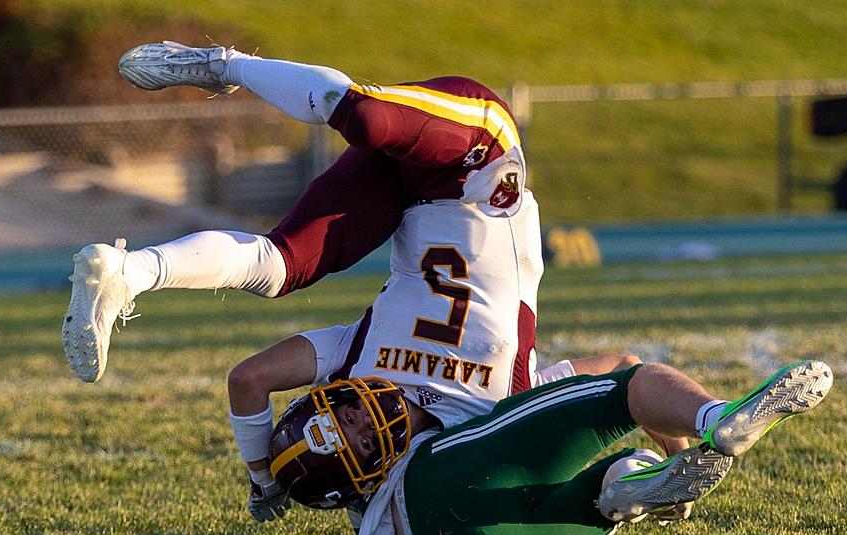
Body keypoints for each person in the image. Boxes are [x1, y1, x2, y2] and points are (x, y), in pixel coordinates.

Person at [62, 41, 539, 389]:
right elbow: (579, 375)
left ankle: (129, 271)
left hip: (418, 206)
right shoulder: (513, 393)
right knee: (367, 116)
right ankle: (224, 65)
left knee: (280, 267)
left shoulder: (443, 404)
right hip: (481, 154)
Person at [263, 360, 834, 535]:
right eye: (362, 441)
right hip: (435, 479)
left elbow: (247, 380)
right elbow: (626, 368)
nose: (373, 422)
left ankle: (633, 484)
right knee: (625, 391)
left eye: (352, 417)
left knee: (596, 499)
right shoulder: (415, 369)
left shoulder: (351, 509)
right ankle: (717, 416)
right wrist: (679, 433)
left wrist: (263, 481)